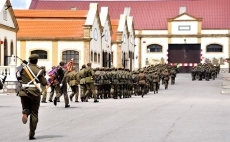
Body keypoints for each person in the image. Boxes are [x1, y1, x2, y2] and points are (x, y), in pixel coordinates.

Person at [18, 54, 47, 140]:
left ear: (29, 60)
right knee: (34, 113)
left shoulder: (22, 68)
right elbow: (44, 83)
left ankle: (25, 112)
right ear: (37, 60)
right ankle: (31, 133)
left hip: (23, 91)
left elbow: (18, 77)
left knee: (26, 107)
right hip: (34, 92)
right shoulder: (39, 70)